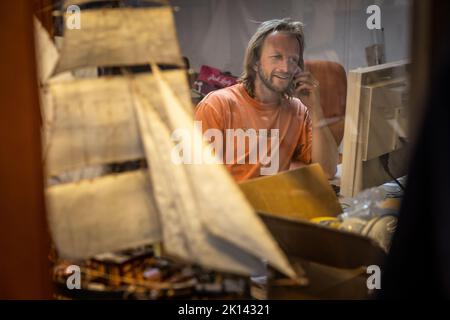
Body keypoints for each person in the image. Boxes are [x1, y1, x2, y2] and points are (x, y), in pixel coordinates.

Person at [195, 18, 338, 182]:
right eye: (277, 57)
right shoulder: (217, 106)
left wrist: (315, 110)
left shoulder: (297, 110)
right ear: (255, 63)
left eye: (293, 59)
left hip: (274, 203)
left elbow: (327, 171)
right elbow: (199, 181)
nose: (286, 68)